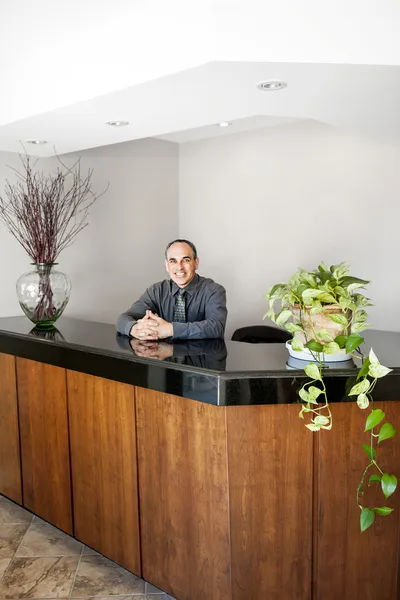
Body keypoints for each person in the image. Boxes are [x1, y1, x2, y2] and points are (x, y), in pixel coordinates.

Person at [116, 239, 227, 340]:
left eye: (186, 260)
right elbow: (124, 318)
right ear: (166, 265)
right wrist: (135, 329)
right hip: (164, 357)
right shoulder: (157, 290)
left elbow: (216, 327)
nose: (179, 267)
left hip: (202, 358)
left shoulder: (214, 290)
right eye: (173, 261)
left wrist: (170, 329)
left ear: (196, 263)